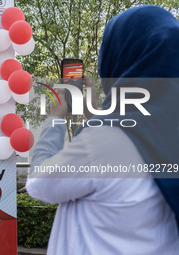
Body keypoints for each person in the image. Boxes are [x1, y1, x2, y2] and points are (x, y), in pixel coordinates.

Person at [26, 5, 179, 255]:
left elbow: (40, 183)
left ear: (117, 59)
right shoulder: (167, 132)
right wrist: (98, 115)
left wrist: (55, 119)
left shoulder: (104, 142)